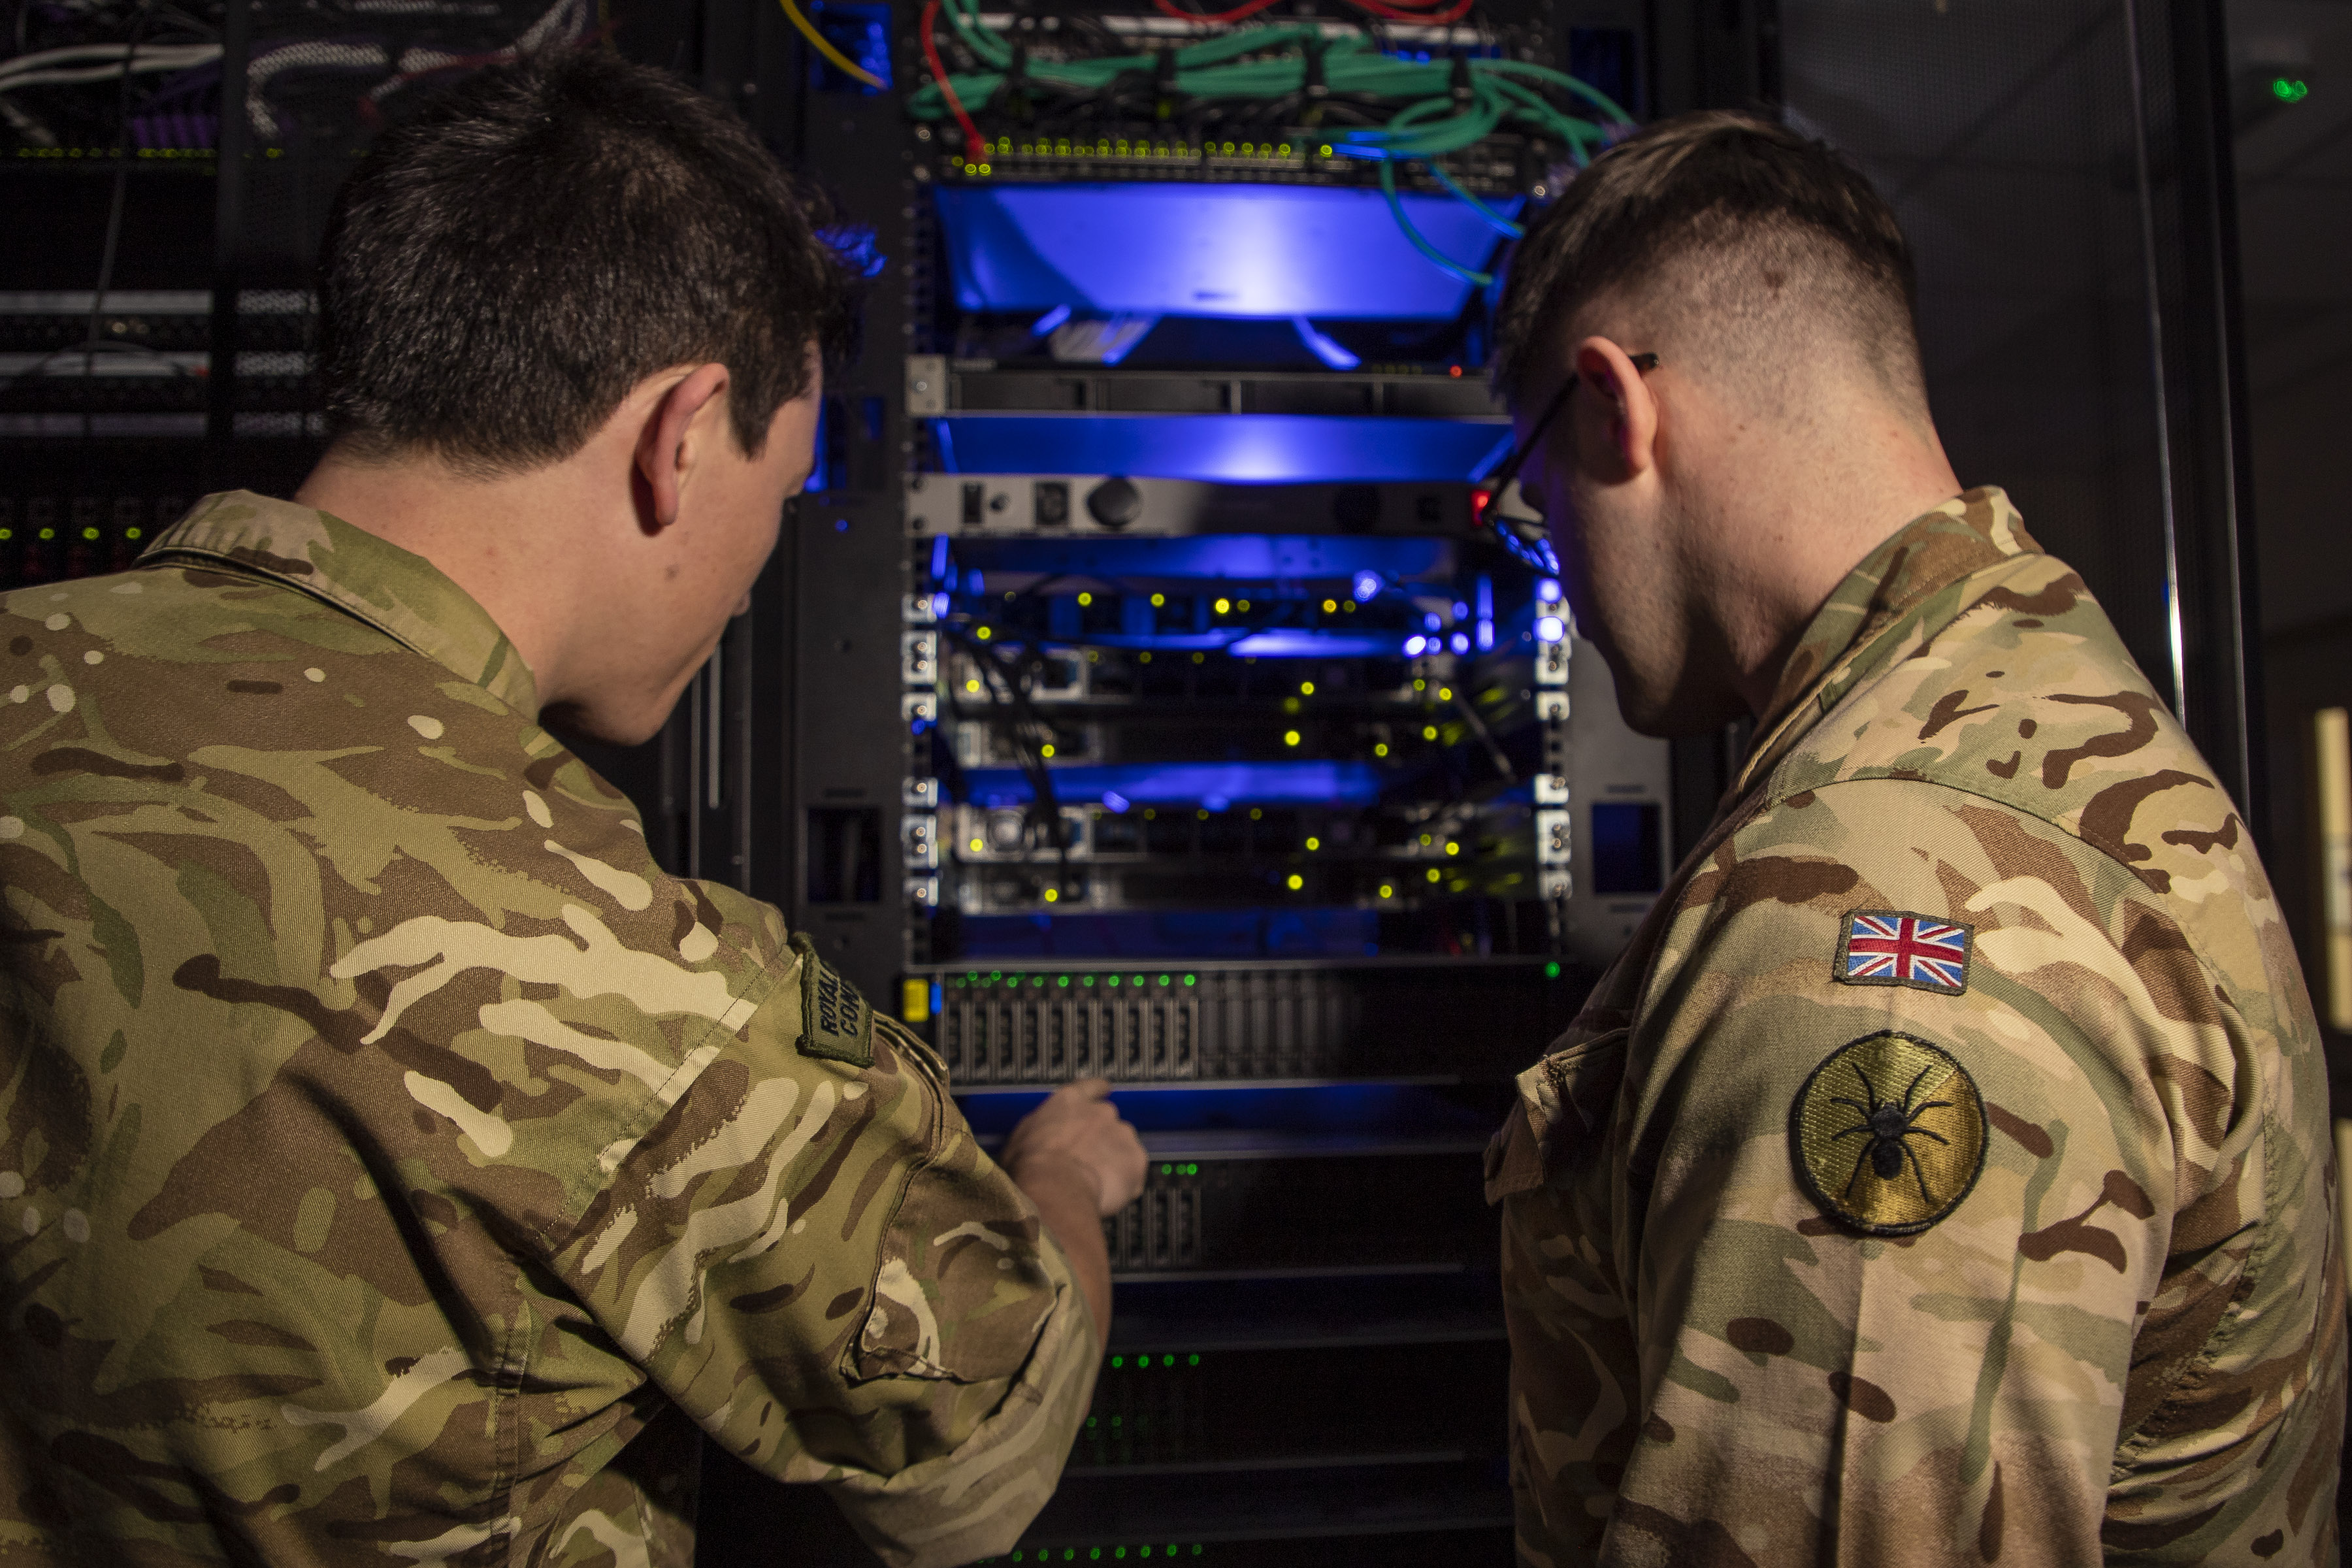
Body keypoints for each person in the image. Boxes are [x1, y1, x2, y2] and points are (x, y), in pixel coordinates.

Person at [0, 48, 1145, 1567]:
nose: (758, 573)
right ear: (682, 436)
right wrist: (1060, 1180)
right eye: (783, 494)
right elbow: (978, 1456)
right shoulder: (622, 981)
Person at [1483, 110, 2343, 1565]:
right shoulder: (2038, 696)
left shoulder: (1875, 911)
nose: (1554, 568)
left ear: (1612, 404)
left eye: (1529, 500)